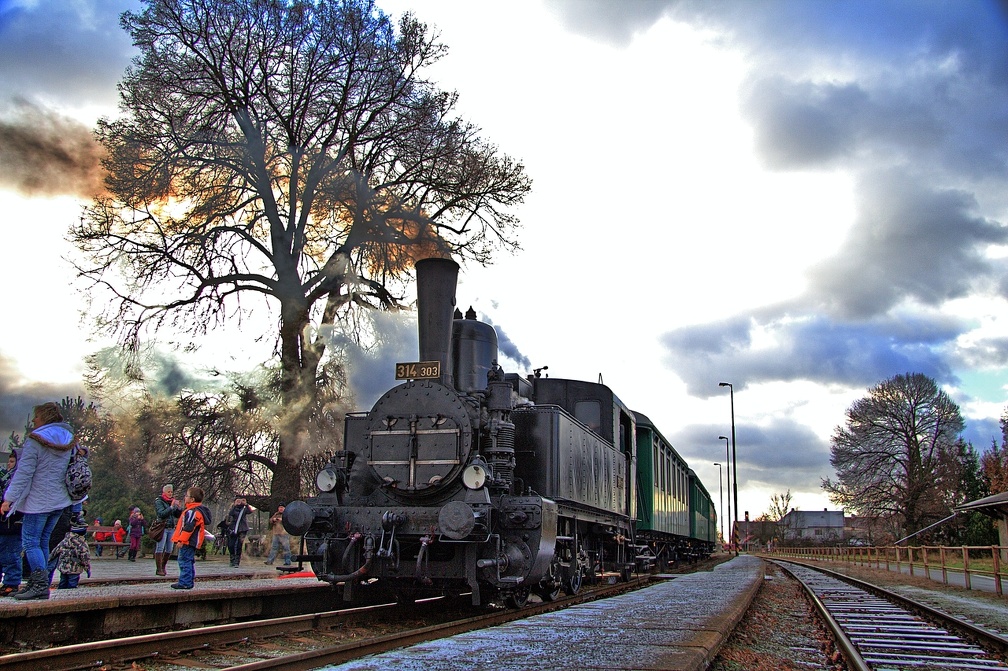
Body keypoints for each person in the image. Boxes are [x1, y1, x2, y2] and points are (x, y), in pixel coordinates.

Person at [1, 402, 76, 601]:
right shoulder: (68, 439)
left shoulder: (35, 441)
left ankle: (40, 585)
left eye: (36, 416)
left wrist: (9, 498)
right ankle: (37, 584)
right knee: (42, 541)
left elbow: (24, 473)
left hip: (38, 501)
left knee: (31, 542)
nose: (33, 420)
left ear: (44, 417)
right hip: (59, 500)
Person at [170, 486, 211, 590]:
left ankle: (185, 582)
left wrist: (181, 540)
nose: (185, 497)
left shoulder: (192, 511)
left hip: (188, 541)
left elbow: (189, 527)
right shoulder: (192, 510)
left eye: (186, 496)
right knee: (188, 560)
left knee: (184, 561)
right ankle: (188, 581)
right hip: (191, 541)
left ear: (192, 499)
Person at [0, 450, 23, 596]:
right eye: (9, 461)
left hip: (13, 523)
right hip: (3, 523)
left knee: (11, 554)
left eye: (13, 461)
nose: (10, 464)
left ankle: (12, 582)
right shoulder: (4, 478)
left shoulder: (19, 481)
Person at [48, 519, 91, 589]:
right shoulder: (82, 544)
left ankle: (61, 593)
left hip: (63, 567)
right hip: (75, 568)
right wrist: (87, 569)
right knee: (72, 584)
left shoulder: (65, 540)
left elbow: (55, 551)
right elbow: (85, 558)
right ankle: (70, 594)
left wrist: (49, 559)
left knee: (62, 582)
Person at [153, 484, 182, 576]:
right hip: (162, 527)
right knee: (160, 547)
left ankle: (163, 565)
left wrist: (179, 508)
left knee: (169, 549)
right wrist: (171, 507)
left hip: (171, 527)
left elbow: (177, 515)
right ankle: (159, 568)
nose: (170, 494)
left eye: (171, 492)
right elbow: (161, 514)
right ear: (164, 492)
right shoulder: (159, 501)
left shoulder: (172, 502)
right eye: (168, 492)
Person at [224, 496, 253, 567]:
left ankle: (237, 561)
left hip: (242, 529)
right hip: (233, 528)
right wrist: (235, 505)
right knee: (231, 545)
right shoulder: (233, 508)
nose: (239, 502)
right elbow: (230, 514)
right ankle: (232, 559)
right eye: (237, 501)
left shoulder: (244, 509)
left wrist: (246, 504)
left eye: (240, 501)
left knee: (239, 545)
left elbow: (250, 511)